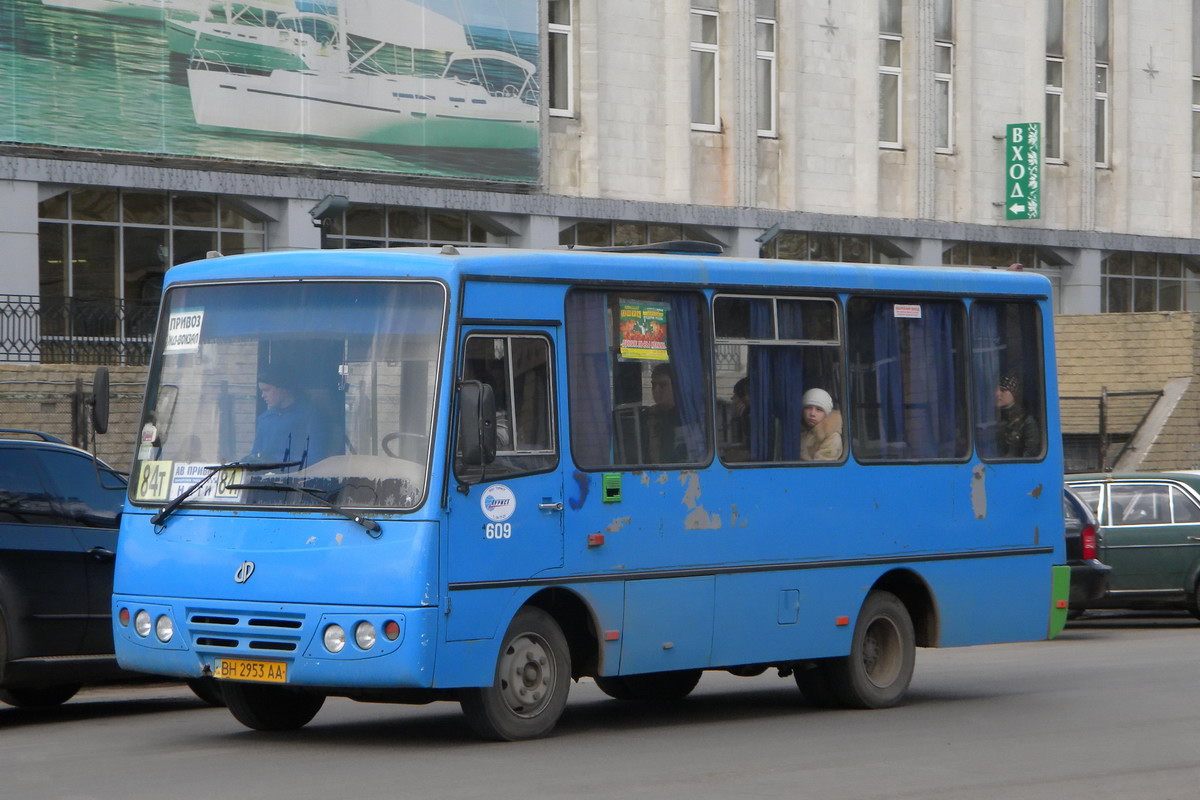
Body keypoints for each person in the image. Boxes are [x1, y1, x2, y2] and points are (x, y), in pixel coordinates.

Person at [249, 366, 330, 466]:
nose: (263, 395)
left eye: (267, 390)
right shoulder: (264, 419)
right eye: (262, 391)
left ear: (283, 388)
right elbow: (254, 456)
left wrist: (275, 464)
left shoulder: (310, 416)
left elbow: (314, 458)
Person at [644, 363, 685, 462]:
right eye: (653, 385)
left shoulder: (685, 416)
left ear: (676, 386)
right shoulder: (647, 417)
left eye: (663, 385)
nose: (656, 390)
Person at [995, 374, 1040, 458]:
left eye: (1003, 389)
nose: (997, 393)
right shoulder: (994, 419)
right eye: (997, 389)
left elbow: (1031, 453)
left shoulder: (1027, 422)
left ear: (1014, 394)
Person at [799, 387, 843, 462]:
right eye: (808, 408)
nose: (812, 413)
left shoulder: (832, 437)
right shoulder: (798, 431)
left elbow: (821, 469)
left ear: (826, 414)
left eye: (819, 410)